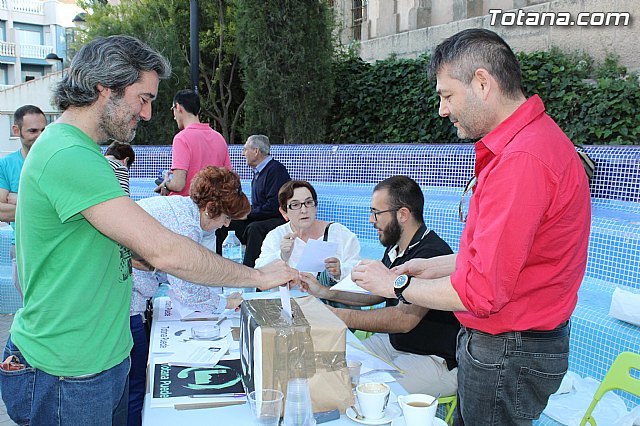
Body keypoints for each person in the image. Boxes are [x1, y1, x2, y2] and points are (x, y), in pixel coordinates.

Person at [0, 35, 297, 426]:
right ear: (104, 88)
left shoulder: (83, 152)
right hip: (67, 372)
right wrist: (257, 276)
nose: (147, 113)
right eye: (143, 98)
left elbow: (128, 252)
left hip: (102, 358)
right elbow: (163, 252)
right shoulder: (68, 154)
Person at [351, 29, 591, 425]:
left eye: (447, 95)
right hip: (507, 347)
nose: (442, 110)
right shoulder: (529, 145)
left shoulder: (523, 161)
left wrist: (392, 284)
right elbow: (514, 257)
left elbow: (483, 292)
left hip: (508, 350)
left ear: (482, 83)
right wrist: (439, 265)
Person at [299, 176, 459, 396]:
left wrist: (336, 315)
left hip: (433, 360)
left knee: (365, 395)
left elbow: (404, 320)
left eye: (376, 213)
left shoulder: (431, 255)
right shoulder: (397, 247)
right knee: (331, 367)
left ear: (402, 214)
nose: (371, 220)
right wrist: (324, 291)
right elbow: (376, 293)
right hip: (396, 345)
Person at [128, 166, 249, 426]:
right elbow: (188, 287)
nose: (227, 225)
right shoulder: (186, 225)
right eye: (227, 217)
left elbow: (197, 274)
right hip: (126, 307)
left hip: (128, 301)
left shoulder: (182, 211)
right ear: (211, 209)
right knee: (136, 385)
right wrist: (224, 302)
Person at [255, 180, 361, 307]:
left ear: (315, 206)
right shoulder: (276, 236)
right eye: (295, 205)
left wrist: (340, 271)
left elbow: (359, 274)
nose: (304, 210)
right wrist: (282, 256)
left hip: (333, 312)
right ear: (284, 212)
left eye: (309, 203)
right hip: (289, 310)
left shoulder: (340, 234)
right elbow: (259, 275)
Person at [217, 134, 291, 267]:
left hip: (279, 219)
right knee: (223, 223)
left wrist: (248, 214)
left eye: (245, 149)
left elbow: (274, 206)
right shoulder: (259, 172)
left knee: (254, 229)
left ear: (256, 151)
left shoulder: (275, 170)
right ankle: (219, 266)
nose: (243, 153)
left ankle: (250, 273)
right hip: (261, 218)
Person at [0, 104, 47, 299]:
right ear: (16, 130)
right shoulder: (7, 164)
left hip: (54, 247)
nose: (40, 135)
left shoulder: (56, 161)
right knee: (30, 307)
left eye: (44, 130)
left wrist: (18, 199)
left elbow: (62, 208)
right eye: (33, 130)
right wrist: (43, 206)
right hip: (21, 248)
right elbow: (1, 212)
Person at [155, 89, 232, 197]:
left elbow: (178, 185)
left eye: (173, 109)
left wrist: (166, 184)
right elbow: (228, 180)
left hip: (187, 207)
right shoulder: (219, 138)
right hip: (212, 208)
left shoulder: (181, 138)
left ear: (178, 107)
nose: (174, 116)